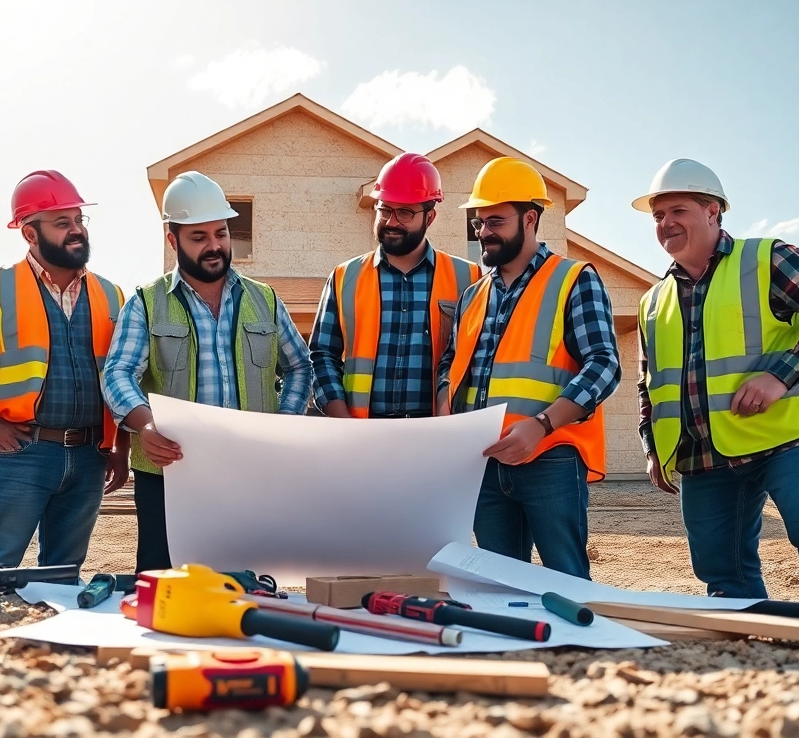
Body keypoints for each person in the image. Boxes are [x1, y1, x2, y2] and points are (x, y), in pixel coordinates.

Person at [633, 158, 799, 624]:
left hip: (787, 438)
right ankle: (756, 658)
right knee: (721, 569)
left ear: (714, 211)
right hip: (704, 454)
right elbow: (648, 382)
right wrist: (653, 447)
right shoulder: (653, 301)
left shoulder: (765, 259)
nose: (665, 223)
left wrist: (779, 375)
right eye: (658, 216)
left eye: (677, 211)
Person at [102, 171, 312, 572]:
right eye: (198, 237)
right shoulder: (146, 303)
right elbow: (117, 374)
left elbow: (300, 367)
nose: (214, 246)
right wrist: (146, 427)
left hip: (251, 472)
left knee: (246, 583)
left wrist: (285, 424)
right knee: (165, 584)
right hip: (169, 478)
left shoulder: (264, 300)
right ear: (173, 240)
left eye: (221, 233)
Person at [0, 170, 128, 570]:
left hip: (89, 456)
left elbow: (123, 376)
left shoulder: (111, 294)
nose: (76, 231)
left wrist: (120, 447)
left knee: (64, 574)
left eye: (78, 220)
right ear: (29, 234)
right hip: (20, 453)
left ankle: (47, 636)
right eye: (61, 222)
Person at [438, 157, 620, 579]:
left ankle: (579, 648)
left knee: (567, 577)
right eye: (479, 223)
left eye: (495, 221)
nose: (484, 232)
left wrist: (540, 425)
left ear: (530, 218)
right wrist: (447, 409)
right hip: (483, 463)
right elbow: (452, 364)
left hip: (550, 458)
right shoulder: (473, 295)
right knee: (500, 584)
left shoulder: (574, 278)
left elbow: (604, 364)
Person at [310, 153, 481, 419]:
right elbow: (322, 355)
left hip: (438, 435)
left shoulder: (469, 277)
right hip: (362, 432)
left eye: (405, 213)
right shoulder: (345, 276)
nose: (391, 222)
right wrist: (343, 422)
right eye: (385, 210)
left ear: (430, 217)